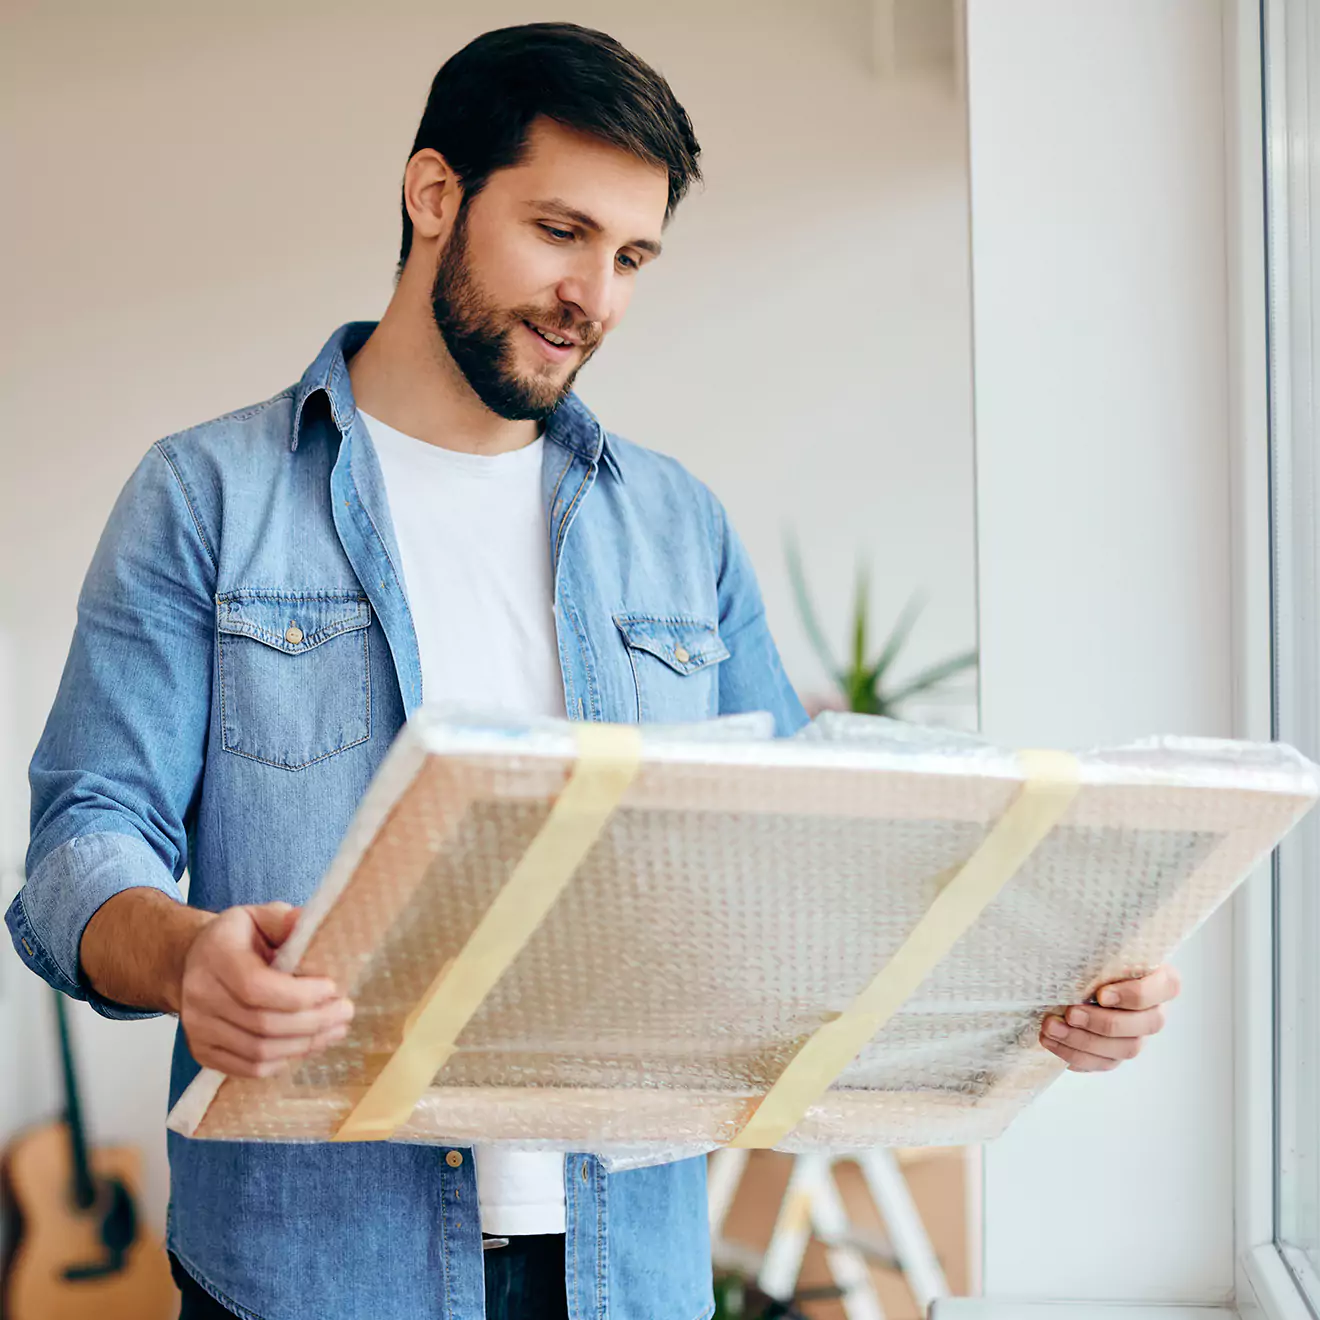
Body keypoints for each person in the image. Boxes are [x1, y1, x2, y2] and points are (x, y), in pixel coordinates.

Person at [6, 21, 1181, 1320]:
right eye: (561, 233)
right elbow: (82, 845)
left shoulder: (679, 527)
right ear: (434, 193)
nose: (596, 299)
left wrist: (1050, 982)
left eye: (631, 257)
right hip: (315, 1271)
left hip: (633, 1269)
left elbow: (803, 873)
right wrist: (182, 959)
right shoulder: (207, 499)